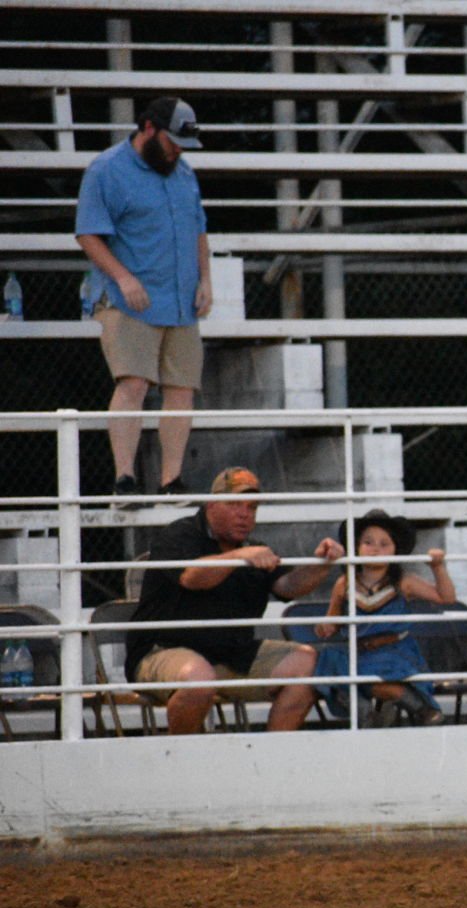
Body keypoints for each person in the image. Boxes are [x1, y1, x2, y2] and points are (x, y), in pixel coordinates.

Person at [125, 467, 344, 735]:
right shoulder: (179, 535)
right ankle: (178, 760)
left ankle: (268, 761)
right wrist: (241, 556)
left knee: (309, 664)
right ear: (211, 505)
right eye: (234, 504)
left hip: (230, 654)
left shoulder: (253, 547)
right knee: (198, 679)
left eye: (252, 507)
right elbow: (192, 577)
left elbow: (288, 587)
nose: (244, 514)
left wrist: (322, 565)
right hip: (162, 649)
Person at [74, 97, 211, 507]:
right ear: (148, 129)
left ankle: (171, 481)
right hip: (129, 297)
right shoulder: (106, 169)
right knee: (132, 381)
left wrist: (206, 278)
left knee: (182, 388)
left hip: (181, 299)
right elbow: (87, 234)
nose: (177, 151)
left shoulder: (183, 171)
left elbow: (198, 230)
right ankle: (125, 480)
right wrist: (122, 276)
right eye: (171, 142)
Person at [311, 510, 454, 727]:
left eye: (384, 543)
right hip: (358, 653)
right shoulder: (344, 583)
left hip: (394, 652)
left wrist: (438, 567)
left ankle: (418, 706)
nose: (376, 548)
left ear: (396, 549)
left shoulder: (404, 582)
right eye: (368, 542)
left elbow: (446, 597)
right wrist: (326, 626)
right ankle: (362, 708)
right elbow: (332, 620)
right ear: (356, 547)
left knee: (372, 677)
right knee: (328, 660)